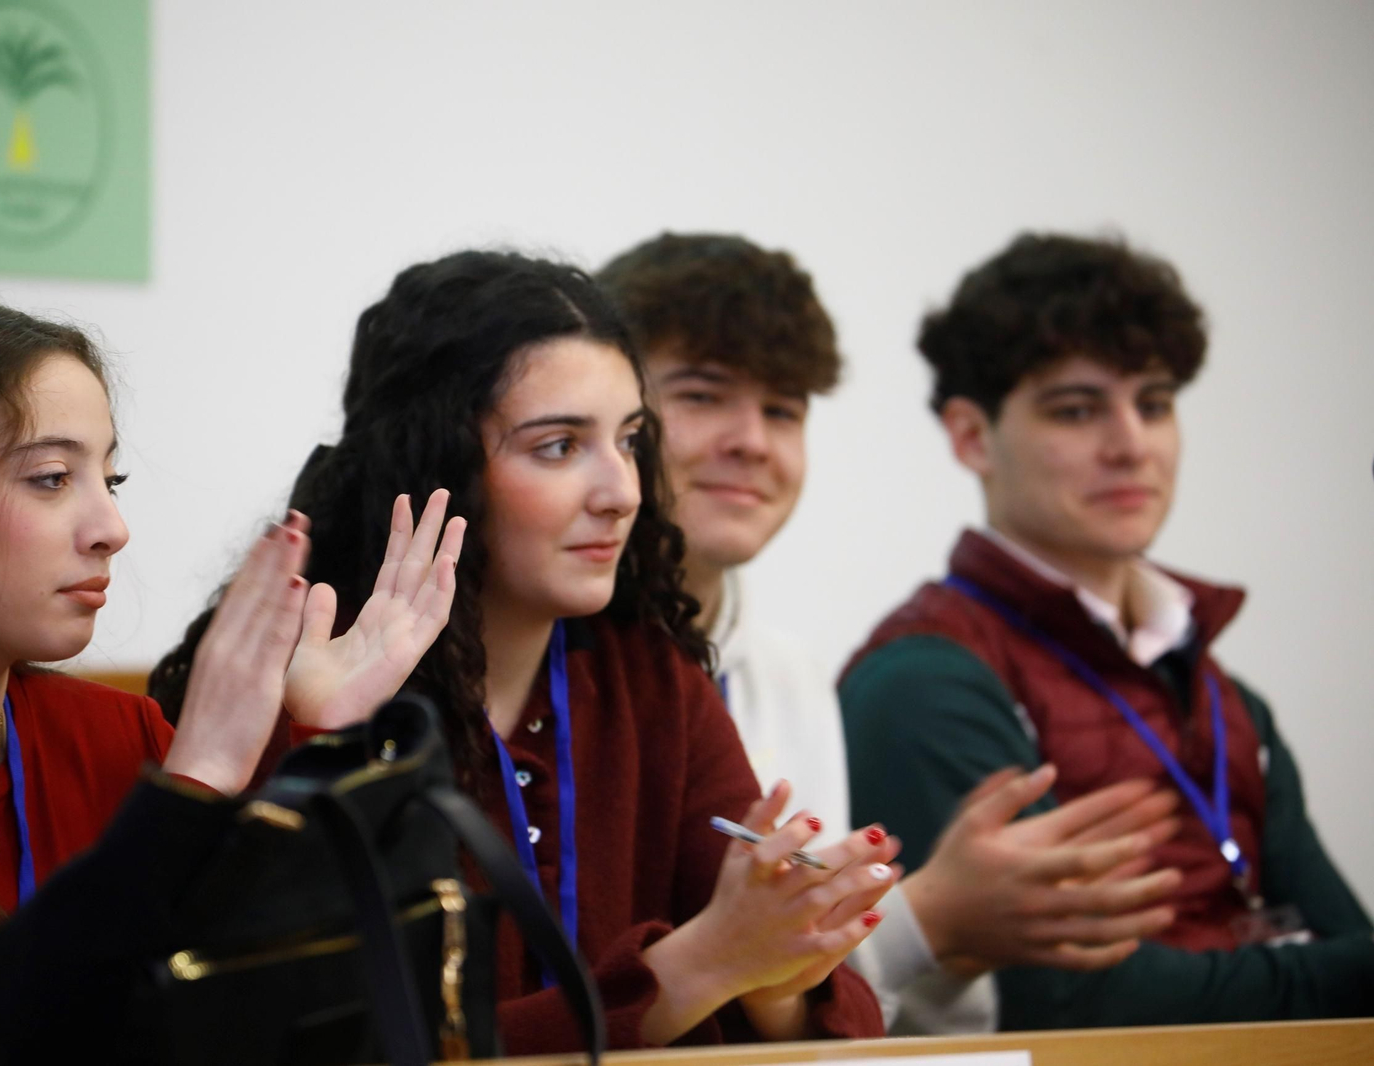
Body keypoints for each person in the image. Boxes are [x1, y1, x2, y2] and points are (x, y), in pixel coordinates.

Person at [152, 250, 896, 1053]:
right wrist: (697, 972)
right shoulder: (304, 680)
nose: (623, 491)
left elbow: (845, 1014)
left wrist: (781, 980)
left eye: (631, 439)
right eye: (558, 447)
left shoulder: (650, 677)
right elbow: (318, 1047)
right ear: (441, 464)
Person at [0, 296, 461, 1063]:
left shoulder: (117, 734)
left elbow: (250, 1013)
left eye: (111, 478)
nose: (112, 528)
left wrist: (314, 738)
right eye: (51, 478)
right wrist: (190, 788)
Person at [598, 231, 1187, 1033]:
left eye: (783, 409)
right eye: (704, 396)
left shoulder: (786, 672)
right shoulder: (561, 664)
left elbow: (801, 997)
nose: (753, 441)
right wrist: (930, 916)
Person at [840, 232, 1374, 1027]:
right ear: (972, 436)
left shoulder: (1224, 692)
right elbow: (1066, 1002)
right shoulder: (924, 676)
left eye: (1153, 404)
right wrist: (1309, 980)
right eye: (1078, 409)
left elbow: (1351, 944)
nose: (1131, 445)